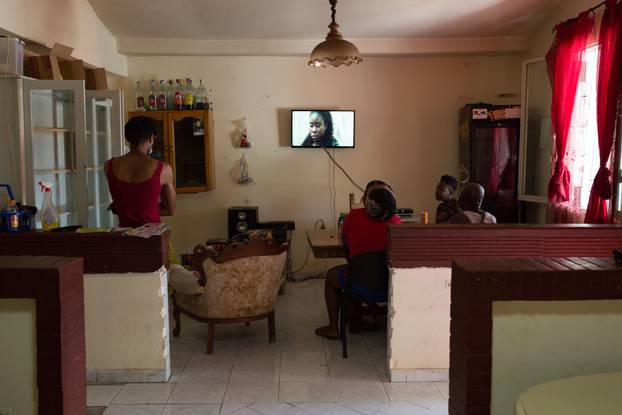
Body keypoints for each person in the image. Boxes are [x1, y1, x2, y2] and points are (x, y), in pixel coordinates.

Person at [315, 180, 401, 340]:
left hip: (358, 284)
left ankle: (334, 327)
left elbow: (347, 247)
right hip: (388, 286)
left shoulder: (353, 216)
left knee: (331, 276)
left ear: (366, 199)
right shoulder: (395, 220)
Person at [105, 116, 176, 228]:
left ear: (128, 137)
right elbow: (170, 210)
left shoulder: (109, 166)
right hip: (152, 238)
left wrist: (122, 208)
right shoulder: (164, 169)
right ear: (151, 138)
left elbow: (125, 200)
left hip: (124, 237)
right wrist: (144, 208)